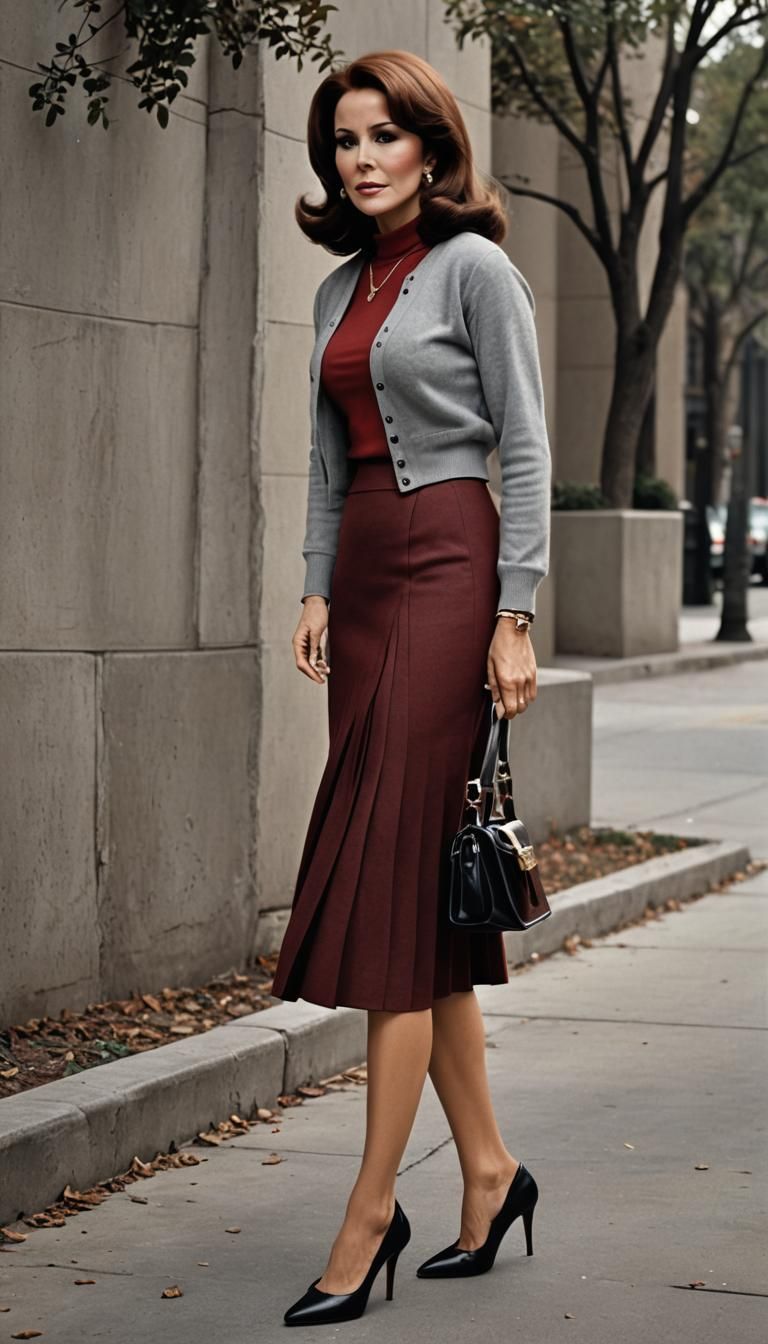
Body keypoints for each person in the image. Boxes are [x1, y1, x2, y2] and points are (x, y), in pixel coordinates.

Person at [271, 48, 551, 1328]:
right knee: (420, 898)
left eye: (384, 135)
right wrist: (316, 586)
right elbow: (326, 461)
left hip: (452, 564)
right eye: (344, 140)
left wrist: (514, 614)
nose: (363, 157)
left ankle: (370, 1210)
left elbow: (525, 445)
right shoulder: (340, 286)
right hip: (367, 580)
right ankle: (489, 1170)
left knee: (392, 884)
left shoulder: (475, 268)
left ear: (431, 147)